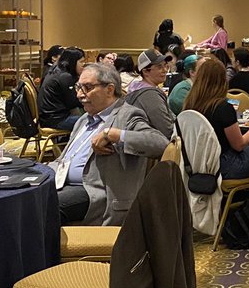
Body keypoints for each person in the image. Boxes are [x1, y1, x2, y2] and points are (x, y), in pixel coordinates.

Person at [52, 61, 170, 225]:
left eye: (87, 87)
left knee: (47, 206)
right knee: (27, 198)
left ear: (109, 89)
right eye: (78, 87)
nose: (80, 94)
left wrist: (115, 134)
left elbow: (160, 144)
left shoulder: (128, 115)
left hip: (97, 194)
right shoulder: (83, 120)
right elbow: (64, 160)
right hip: (64, 183)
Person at [183, 56, 249, 179]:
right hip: (221, 165)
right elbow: (239, 145)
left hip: (195, 162)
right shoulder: (223, 108)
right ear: (222, 80)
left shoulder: (189, 105)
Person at [126, 49, 176, 139]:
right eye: (159, 67)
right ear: (145, 71)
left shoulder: (139, 89)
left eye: (166, 65)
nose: (165, 70)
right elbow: (167, 130)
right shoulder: (149, 96)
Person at [38, 46, 84, 131]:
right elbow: (73, 102)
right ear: (73, 62)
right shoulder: (65, 76)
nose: (83, 65)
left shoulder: (55, 70)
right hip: (55, 120)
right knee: (91, 121)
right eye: (81, 62)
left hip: (46, 117)